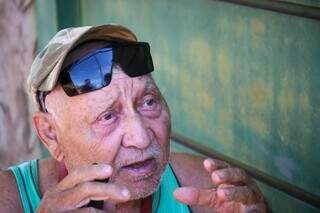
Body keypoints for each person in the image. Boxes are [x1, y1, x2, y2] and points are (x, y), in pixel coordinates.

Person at [0, 24, 266, 213]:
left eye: (148, 102)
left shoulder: (208, 190)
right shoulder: (9, 200)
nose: (141, 138)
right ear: (51, 135)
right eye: (107, 117)